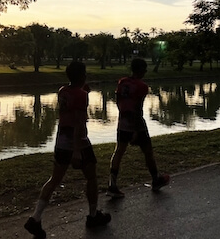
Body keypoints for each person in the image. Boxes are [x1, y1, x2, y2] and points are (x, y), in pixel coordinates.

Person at [24, 61, 111, 239]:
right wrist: (77, 151)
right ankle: (93, 215)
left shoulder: (63, 91)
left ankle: (36, 218)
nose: (86, 75)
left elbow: (73, 102)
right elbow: (79, 121)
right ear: (81, 76)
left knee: (54, 179)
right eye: (84, 73)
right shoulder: (81, 95)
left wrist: (82, 90)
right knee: (92, 177)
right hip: (77, 141)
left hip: (61, 139)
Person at [107, 58, 169, 198]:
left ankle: (112, 184)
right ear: (141, 70)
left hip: (122, 121)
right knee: (148, 152)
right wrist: (135, 129)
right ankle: (155, 179)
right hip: (136, 123)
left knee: (119, 151)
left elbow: (118, 102)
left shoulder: (122, 82)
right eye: (145, 70)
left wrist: (123, 116)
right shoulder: (142, 86)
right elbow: (137, 107)